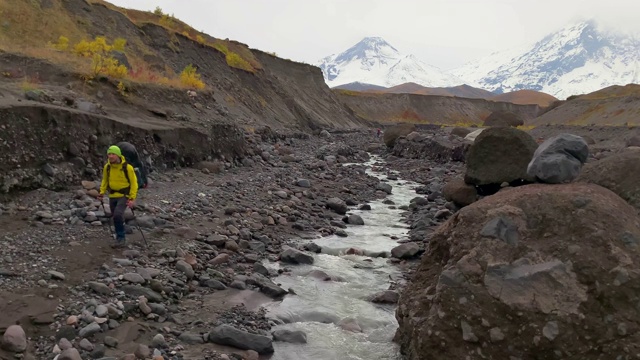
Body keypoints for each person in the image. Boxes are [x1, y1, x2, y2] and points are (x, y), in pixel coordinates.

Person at [98, 145, 139, 247]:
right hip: (112, 195)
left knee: (117, 214)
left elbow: (134, 184)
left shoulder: (128, 168)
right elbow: (105, 180)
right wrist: (101, 192)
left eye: (113, 154)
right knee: (115, 216)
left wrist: (132, 198)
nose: (110, 156)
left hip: (124, 195)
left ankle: (121, 238)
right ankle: (121, 233)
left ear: (118, 155)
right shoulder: (107, 167)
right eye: (109, 154)